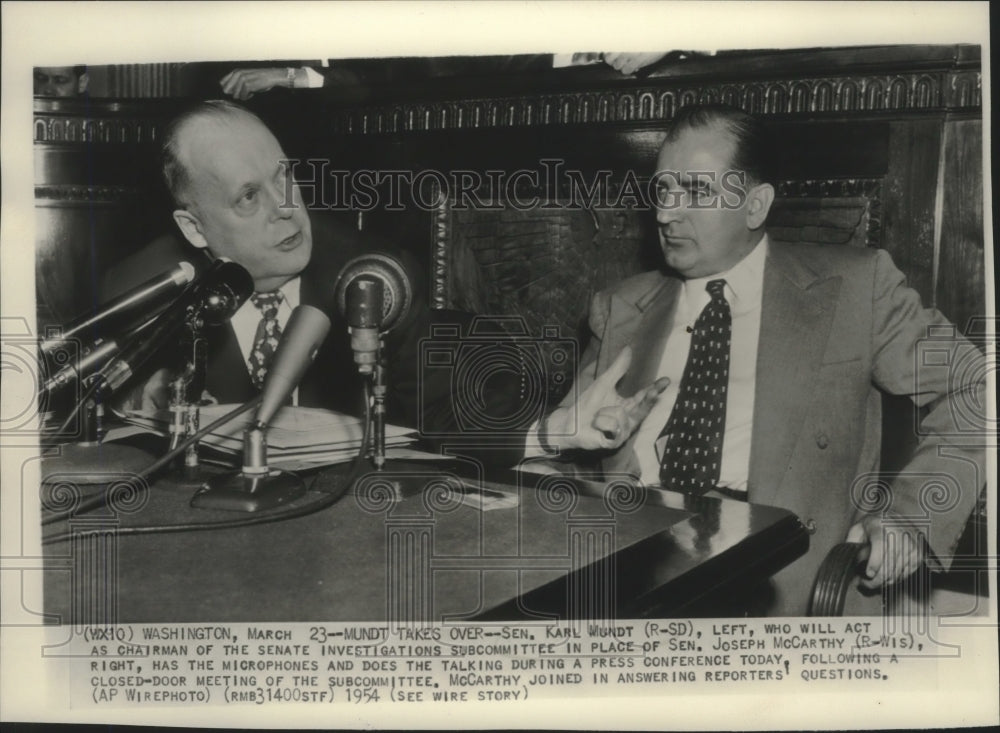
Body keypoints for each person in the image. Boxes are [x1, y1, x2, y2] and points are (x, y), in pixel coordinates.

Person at [529, 104, 986, 616]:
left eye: (697, 191)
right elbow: (556, 457)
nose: (665, 212)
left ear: (755, 205)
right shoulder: (620, 309)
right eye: (662, 190)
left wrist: (911, 518)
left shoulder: (857, 289)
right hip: (633, 581)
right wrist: (554, 447)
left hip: (785, 588)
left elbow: (975, 388)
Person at [101, 100, 441, 430]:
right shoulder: (142, 293)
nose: (284, 206)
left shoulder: (379, 279)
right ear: (195, 228)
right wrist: (140, 397)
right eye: (249, 196)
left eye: (284, 176)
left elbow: (454, 431)